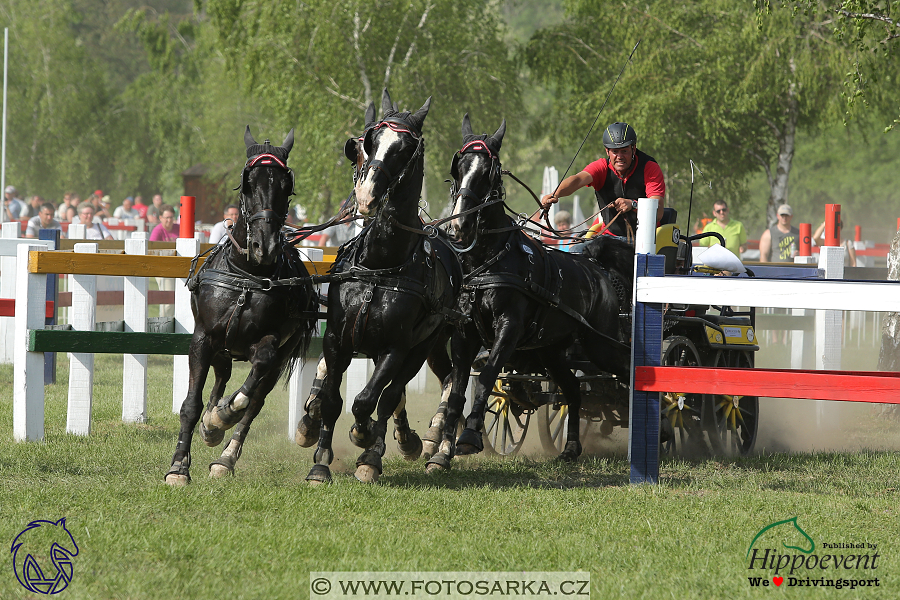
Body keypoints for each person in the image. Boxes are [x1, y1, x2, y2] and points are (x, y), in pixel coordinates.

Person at [540, 122, 665, 239]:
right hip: (609, 238)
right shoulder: (601, 167)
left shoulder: (649, 168)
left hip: (645, 240)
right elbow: (577, 180)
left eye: (624, 151)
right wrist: (555, 194)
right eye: (615, 152)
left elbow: (658, 211)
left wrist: (633, 204)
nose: (619, 157)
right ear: (607, 151)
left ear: (633, 148)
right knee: (575, 252)